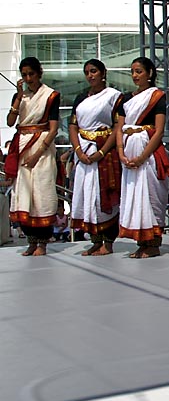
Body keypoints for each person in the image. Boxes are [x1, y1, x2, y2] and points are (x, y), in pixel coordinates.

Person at [115, 57, 169, 258]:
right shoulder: (125, 98)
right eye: (133, 72)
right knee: (133, 195)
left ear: (150, 73)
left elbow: (159, 130)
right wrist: (121, 153)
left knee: (150, 195)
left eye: (139, 71)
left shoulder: (157, 97)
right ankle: (141, 243)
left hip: (148, 154)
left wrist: (142, 157)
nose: (135, 76)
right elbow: (119, 128)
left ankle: (153, 244)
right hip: (129, 152)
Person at [5, 57, 60, 256]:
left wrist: (38, 153)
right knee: (24, 194)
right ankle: (31, 241)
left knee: (41, 192)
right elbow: (11, 122)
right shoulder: (21, 97)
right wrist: (19, 98)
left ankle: (43, 242)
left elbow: (53, 129)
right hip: (22, 145)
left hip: (42, 147)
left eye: (31, 74)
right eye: (25, 75)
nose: (28, 79)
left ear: (39, 73)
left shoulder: (51, 95)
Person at [68, 58, 122, 255]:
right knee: (86, 195)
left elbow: (118, 126)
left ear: (103, 73)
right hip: (83, 150)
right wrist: (78, 151)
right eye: (87, 72)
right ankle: (95, 240)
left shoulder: (114, 97)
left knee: (104, 195)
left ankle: (108, 242)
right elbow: (73, 125)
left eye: (94, 71)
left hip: (104, 153)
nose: (90, 75)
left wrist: (102, 151)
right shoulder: (81, 98)